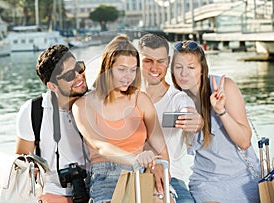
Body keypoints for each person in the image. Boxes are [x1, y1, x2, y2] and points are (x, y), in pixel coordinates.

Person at [72, 34, 171, 203]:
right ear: (107, 68)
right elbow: (100, 146)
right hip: (106, 177)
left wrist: (161, 172)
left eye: (133, 70)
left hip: (144, 172)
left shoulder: (142, 100)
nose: (128, 76)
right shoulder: (82, 105)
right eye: (122, 69)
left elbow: (160, 147)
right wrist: (134, 159)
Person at [171, 40, 260, 203]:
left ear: (202, 69)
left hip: (243, 178)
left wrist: (221, 111)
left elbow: (245, 142)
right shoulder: (175, 100)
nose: (184, 74)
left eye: (191, 67)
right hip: (206, 182)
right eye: (178, 67)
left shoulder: (224, 87)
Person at [15, 44, 89, 203]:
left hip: (96, 190)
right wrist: (30, 170)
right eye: (69, 75)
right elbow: (21, 162)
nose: (79, 76)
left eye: (79, 67)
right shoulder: (33, 111)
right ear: (52, 86)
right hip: (51, 195)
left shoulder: (98, 102)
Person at [138, 33, 203, 203]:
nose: (155, 68)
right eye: (148, 61)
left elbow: (189, 112)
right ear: (137, 60)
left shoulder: (178, 99)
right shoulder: (127, 98)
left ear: (167, 62)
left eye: (160, 61)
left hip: (172, 177)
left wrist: (196, 120)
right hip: (133, 177)